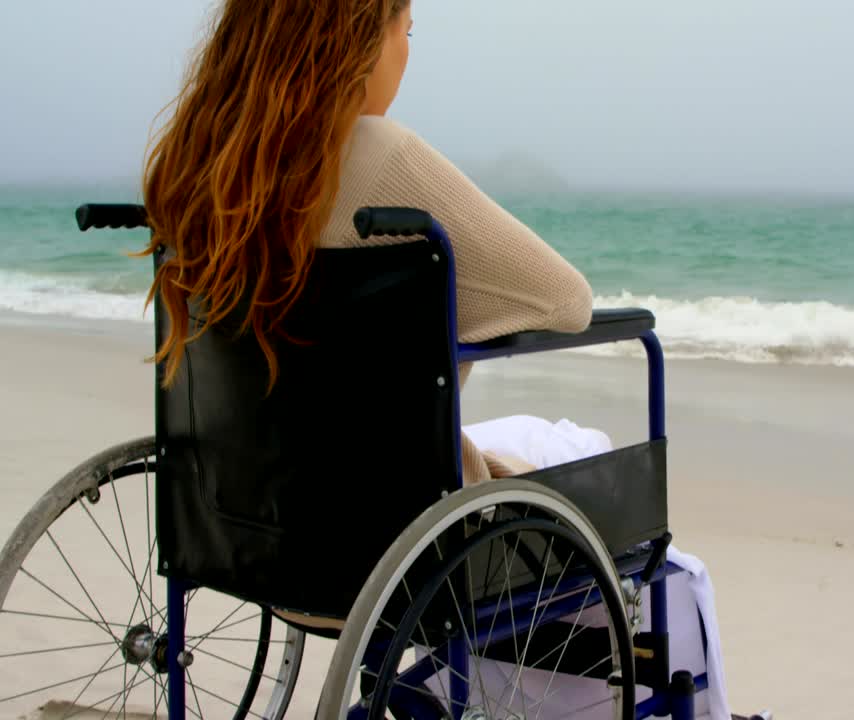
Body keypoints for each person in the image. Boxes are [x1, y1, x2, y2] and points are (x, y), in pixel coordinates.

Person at [141, 0, 596, 485]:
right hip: (402, 516)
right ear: (360, 41)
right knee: (585, 447)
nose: (406, 56)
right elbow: (567, 302)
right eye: (407, 34)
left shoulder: (192, 173)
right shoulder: (378, 153)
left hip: (242, 513)